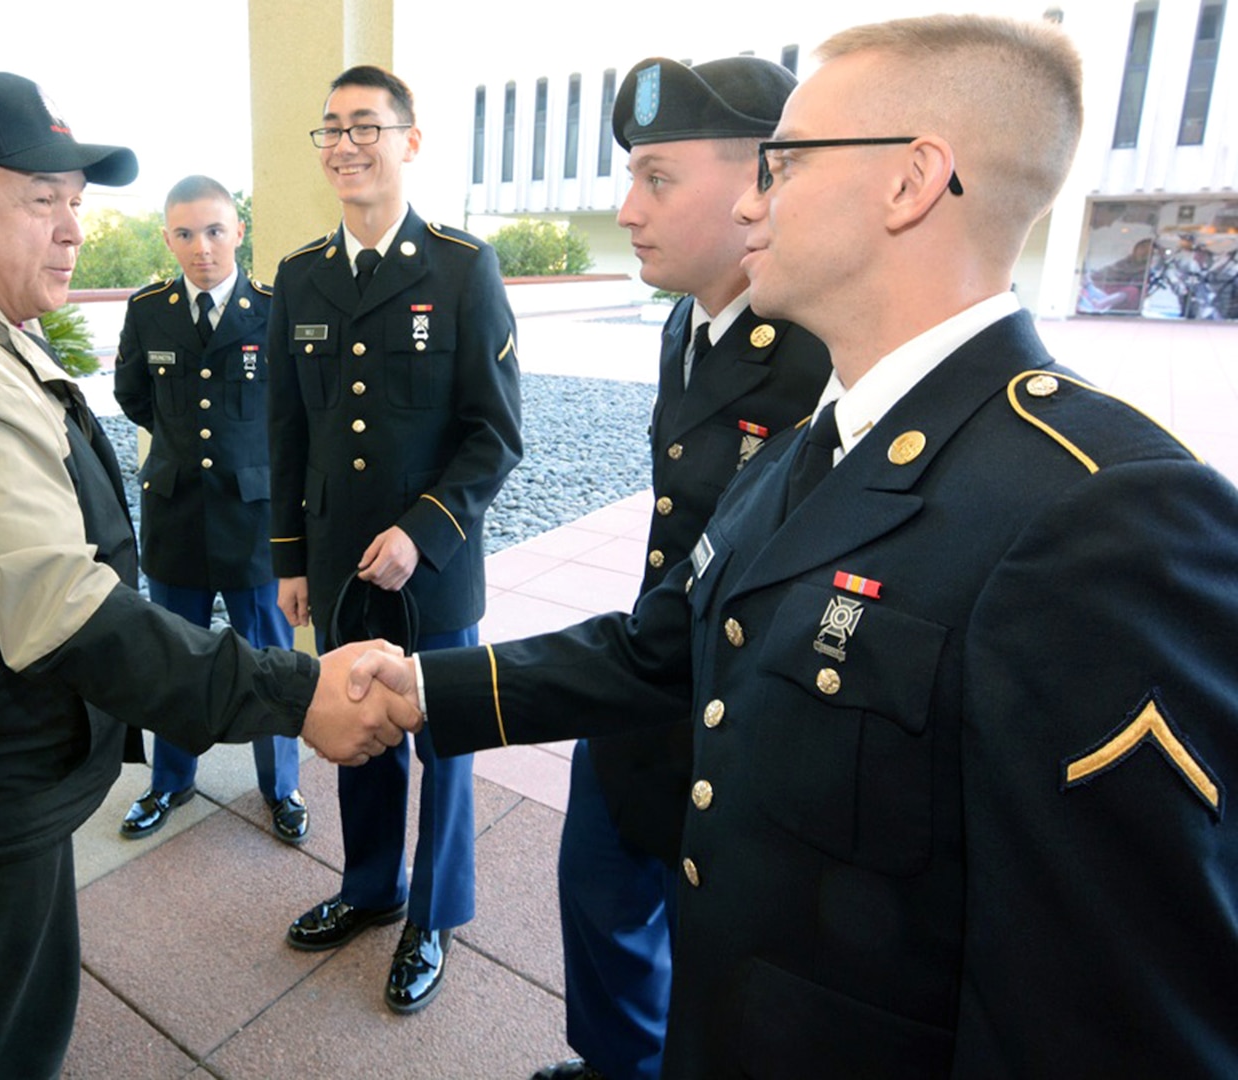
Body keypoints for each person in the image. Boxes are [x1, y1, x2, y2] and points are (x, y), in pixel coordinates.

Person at [352, 15, 1238, 1076]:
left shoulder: (1106, 514)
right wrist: (417, 689)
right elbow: (668, 648)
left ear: (910, 182)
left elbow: (1108, 1020)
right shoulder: (822, 446)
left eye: (784, 162)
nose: (746, 200)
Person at [0, 71, 416, 1080]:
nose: (73, 228)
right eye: (42, 199)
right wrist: (300, 694)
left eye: (77, 201)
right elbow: (71, 615)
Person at [534, 55, 830, 1080]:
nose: (626, 208)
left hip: (742, 717)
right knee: (599, 893)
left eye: (656, 179)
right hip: (652, 677)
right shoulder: (685, 321)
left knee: (719, 960)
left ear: (761, 182)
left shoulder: (817, 361)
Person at [268, 64, 522, 1014]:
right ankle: (371, 887)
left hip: (437, 566)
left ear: (409, 142)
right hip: (339, 563)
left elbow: (495, 432)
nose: (344, 144)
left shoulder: (461, 268)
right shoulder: (299, 277)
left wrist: (426, 530)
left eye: (365, 126)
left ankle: (433, 912)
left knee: (442, 738)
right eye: (330, 127)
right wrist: (290, 558)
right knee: (356, 727)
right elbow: (285, 429)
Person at [113, 175, 307, 844]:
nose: (203, 247)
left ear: (238, 231)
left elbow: (293, 410)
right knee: (171, 655)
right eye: (187, 234)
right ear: (169, 238)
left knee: (269, 656)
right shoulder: (149, 309)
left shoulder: (274, 310)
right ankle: (171, 781)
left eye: (216, 230)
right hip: (175, 515)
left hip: (255, 518)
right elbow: (134, 394)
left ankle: (281, 786)